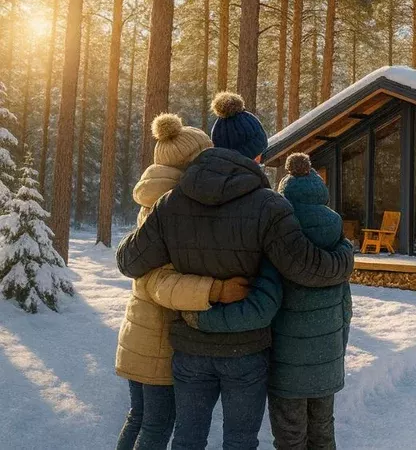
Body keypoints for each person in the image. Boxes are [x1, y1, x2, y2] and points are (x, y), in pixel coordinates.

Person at [116, 93, 355, 450]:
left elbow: (129, 262)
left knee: (187, 438)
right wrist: (345, 256)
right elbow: (306, 268)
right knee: (240, 441)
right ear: (258, 154)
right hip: (245, 350)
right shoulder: (269, 205)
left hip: (191, 345)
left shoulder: (173, 201)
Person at [183, 152, 352, 450]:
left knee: (290, 438)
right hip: (328, 364)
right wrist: (334, 352)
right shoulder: (337, 237)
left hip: (287, 368)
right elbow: (346, 311)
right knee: (324, 435)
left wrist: (202, 317)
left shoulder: (279, 235)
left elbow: (261, 306)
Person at [115, 114, 251, 450]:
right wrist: (215, 289)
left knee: (139, 418)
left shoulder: (157, 199)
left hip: (141, 333)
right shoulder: (171, 207)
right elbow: (158, 282)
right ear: (192, 162)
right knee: (156, 426)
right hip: (158, 340)